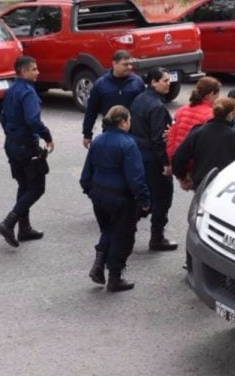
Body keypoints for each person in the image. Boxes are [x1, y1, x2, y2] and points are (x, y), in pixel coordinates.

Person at [80, 106, 151, 292]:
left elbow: (86, 174)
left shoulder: (98, 141)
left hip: (99, 195)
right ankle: (115, 277)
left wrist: (91, 191)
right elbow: (136, 177)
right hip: (121, 198)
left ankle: (99, 264)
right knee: (123, 236)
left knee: (109, 230)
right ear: (124, 121)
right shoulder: (128, 144)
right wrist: (144, 200)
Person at [0, 56, 55, 248]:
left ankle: (24, 228)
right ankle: (9, 222)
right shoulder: (28, 92)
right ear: (24, 72)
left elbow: (3, 117)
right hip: (26, 146)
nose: (38, 72)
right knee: (37, 187)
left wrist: (12, 135)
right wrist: (47, 136)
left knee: (24, 185)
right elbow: (33, 120)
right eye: (34, 69)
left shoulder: (12, 90)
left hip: (12, 145)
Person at [130, 68, 177, 251]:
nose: (168, 83)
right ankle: (157, 237)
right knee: (162, 197)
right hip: (153, 159)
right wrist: (166, 163)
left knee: (143, 194)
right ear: (154, 82)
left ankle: (126, 230)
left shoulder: (139, 99)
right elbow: (159, 139)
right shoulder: (157, 107)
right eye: (165, 80)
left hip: (138, 155)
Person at [172, 97, 235, 190]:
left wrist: (183, 176)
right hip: (228, 185)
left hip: (202, 183)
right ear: (230, 114)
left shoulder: (199, 131)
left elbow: (178, 158)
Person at [82, 49, 145, 149]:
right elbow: (91, 111)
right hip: (110, 134)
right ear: (114, 64)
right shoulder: (101, 84)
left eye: (130, 64)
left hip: (134, 134)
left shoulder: (137, 82)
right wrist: (87, 134)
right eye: (125, 64)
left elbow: (146, 108)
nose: (129, 67)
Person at [166, 76, 221, 190]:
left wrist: (179, 172)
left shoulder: (181, 110)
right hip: (197, 171)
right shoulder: (211, 115)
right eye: (217, 95)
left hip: (181, 165)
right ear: (211, 94)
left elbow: (172, 139)